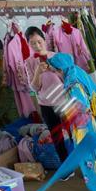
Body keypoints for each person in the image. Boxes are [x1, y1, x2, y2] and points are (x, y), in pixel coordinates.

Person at [46, 52, 96, 191]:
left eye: (54, 70)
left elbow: (82, 106)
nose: (55, 74)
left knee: (88, 160)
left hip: (82, 128)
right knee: (95, 156)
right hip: (88, 124)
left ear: (61, 70)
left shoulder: (72, 84)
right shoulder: (77, 76)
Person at [28, 26, 70, 165]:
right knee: (57, 137)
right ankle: (66, 167)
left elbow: (69, 79)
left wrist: (55, 70)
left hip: (64, 101)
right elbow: (34, 88)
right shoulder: (29, 62)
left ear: (44, 40)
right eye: (33, 43)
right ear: (29, 44)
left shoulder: (56, 57)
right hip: (46, 104)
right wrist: (37, 72)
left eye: (39, 41)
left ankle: (83, 166)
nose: (37, 46)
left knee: (74, 134)